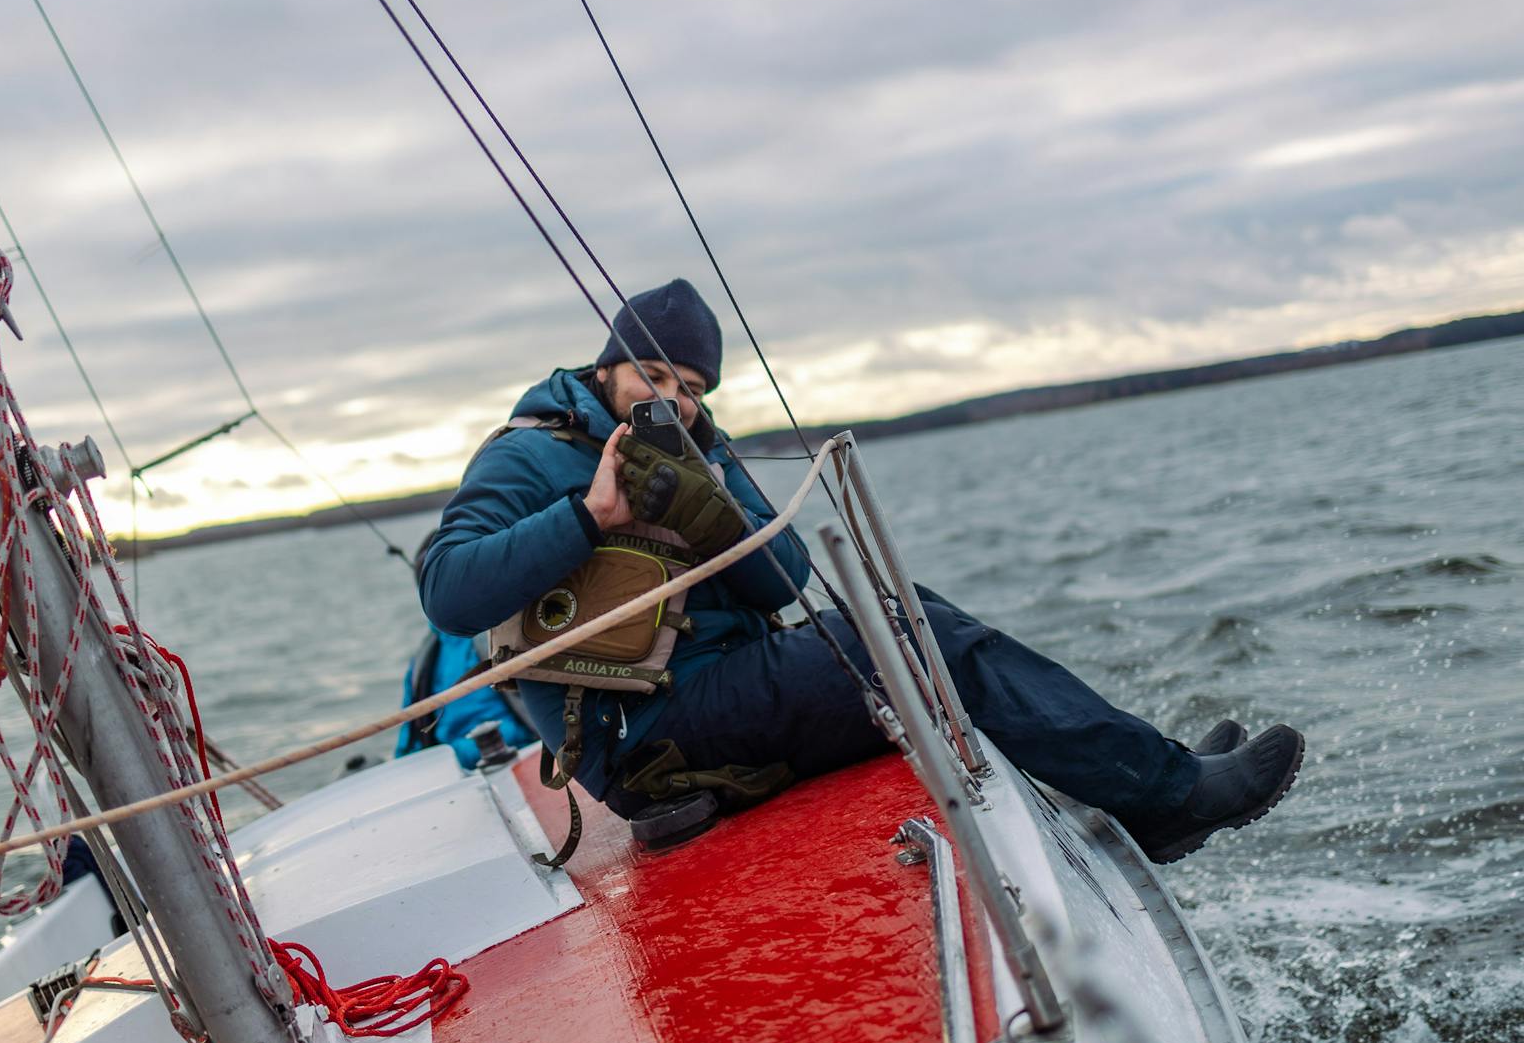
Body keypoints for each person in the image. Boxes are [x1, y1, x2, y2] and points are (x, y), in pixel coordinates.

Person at [417, 279, 1304, 863]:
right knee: (916, 641)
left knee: (908, 616)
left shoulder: (700, 449)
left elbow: (785, 584)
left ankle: (1155, 771)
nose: (673, 400)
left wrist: (711, 502)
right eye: (652, 374)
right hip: (646, 737)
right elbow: (447, 589)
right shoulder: (530, 456)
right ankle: (1171, 795)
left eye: (691, 386)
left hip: (716, 691)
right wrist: (590, 516)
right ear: (606, 365)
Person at [395, 623, 537, 769]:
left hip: (523, 757)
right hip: (456, 772)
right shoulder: (422, 659)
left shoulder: (506, 631)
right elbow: (409, 740)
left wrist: (452, 755)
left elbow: (536, 718)